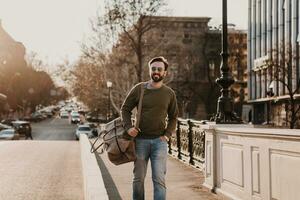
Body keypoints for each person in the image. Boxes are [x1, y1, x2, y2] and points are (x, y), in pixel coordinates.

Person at [121, 56, 178, 200]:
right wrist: (128, 128)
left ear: (165, 72)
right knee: (138, 179)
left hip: (160, 142)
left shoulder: (169, 93)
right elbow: (125, 109)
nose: (156, 72)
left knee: (159, 180)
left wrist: (166, 135)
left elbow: (173, 117)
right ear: (150, 71)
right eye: (153, 69)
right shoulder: (139, 89)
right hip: (140, 141)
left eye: (159, 69)